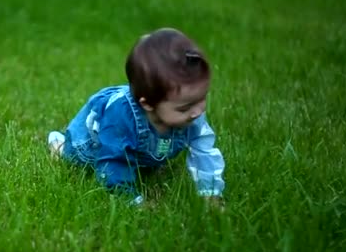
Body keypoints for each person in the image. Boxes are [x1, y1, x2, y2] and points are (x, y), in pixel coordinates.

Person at [48, 28, 225, 206]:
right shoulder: (120, 118)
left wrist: (210, 193)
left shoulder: (189, 110)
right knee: (79, 157)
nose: (198, 111)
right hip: (93, 144)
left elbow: (204, 151)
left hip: (140, 145)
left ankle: (146, 160)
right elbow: (112, 163)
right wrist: (134, 202)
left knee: (142, 154)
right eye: (185, 107)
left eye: (202, 98)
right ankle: (59, 145)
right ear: (147, 104)